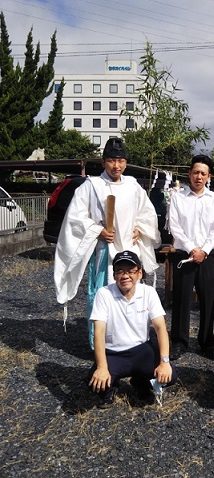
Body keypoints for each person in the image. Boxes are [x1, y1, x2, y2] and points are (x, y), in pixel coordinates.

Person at [54, 138, 160, 348]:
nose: (116, 165)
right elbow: (76, 217)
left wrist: (140, 228)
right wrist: (97, 230)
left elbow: (146, 212)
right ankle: (103, 345)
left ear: (126, 163)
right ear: (103, 162)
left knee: (132, 296)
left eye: (120, 160)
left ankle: (131, 341)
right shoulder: (91, 186)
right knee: (104, 296)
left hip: (129, 251)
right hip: (104, 253)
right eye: (111, 160)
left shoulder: (133, 185)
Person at [88, 250, 177, 408]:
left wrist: (165, 362)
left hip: (141, 350)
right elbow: (99, 332)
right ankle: (109, 390)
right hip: (114, 353)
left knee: (170, 376)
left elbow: (160, 327)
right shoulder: (104, 294)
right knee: (94, 383)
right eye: (120, 271)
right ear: (114, 274)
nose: (125, 276)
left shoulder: (148, 292)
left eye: (130, 271)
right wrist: (102, 367)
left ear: (140, 273)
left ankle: (140, 382)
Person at [168, 154, 214, 360]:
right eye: (195, 172)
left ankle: (207, 342)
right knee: (181, 298)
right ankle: (179, 342)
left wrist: (204, 251)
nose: (198, 177)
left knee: (208, 298)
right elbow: (175, 226)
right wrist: (193, 249)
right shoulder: (178, 197)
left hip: (206, 256)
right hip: (184, 254)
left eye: (203, 173)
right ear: (189, 174)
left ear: (209, 176)